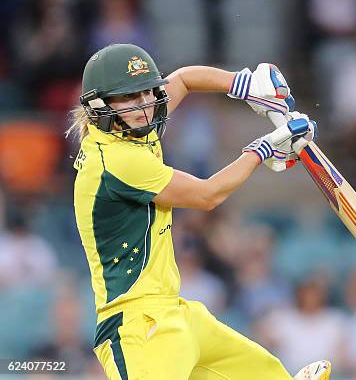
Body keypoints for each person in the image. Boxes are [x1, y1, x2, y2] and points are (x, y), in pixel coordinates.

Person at [67, 43, 330, 380]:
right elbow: (208, 195)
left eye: (147, 93)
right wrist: (264, 148)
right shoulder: (118, 160)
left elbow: (184, 80)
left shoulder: (131, 125)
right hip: (137, 327)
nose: (145, 106)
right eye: (130, 98)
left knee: (270, 373)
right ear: (100, 105)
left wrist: (243, 84)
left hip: (177, 313)